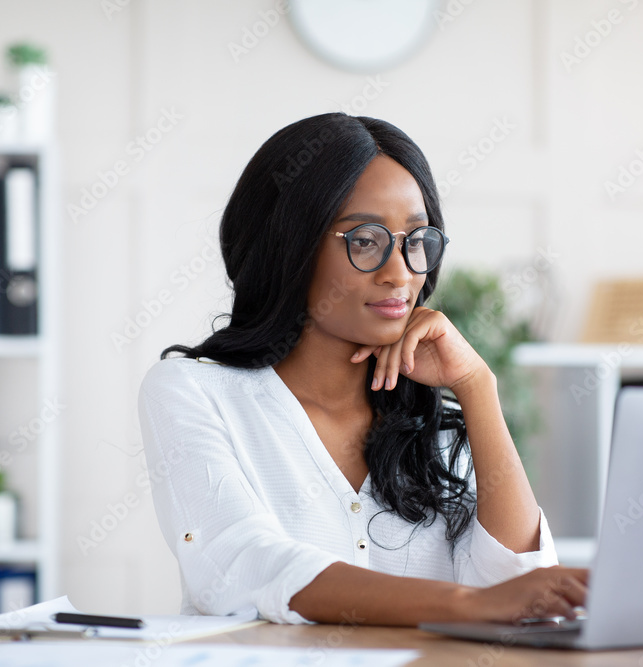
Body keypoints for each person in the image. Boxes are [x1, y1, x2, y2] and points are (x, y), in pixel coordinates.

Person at [137, 112, 588, 627]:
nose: (399, 273)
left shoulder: (432, 422)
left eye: (415, 240)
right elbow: (239, 564)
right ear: (290, 246)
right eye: (366, 241)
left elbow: (517, 595)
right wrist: (461, 605)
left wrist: (476, 387)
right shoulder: (193, 391)